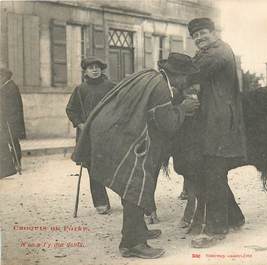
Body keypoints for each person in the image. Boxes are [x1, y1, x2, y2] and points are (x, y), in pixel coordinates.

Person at [72, 53, 200, 259]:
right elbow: (166, 123)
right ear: (178, 75)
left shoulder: (151, 76)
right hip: (118, 136)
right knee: (135, 184)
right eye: (187, 77)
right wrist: (182, 109)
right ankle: (132, 244)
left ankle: (138, 229)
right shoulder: (160, 88)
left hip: (109, 131)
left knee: (132, 184)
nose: (187, 82)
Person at [187, 17, 247, 248]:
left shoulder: (219, 52)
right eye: (195, 36)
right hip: (213, 118)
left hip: (220, 120)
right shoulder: (209, 52)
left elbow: (192, 73)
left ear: (214, 32)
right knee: (212, 170)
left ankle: (216, 230)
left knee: (213, 171)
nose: (199, 38)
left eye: (203, 33)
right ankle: (235, 218)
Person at [66, 57, 115, 214]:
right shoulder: (80, 89)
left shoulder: (112, 87)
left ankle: (128, 201)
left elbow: (121, 105)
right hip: (88, 136)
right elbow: (71, 110)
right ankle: (101, 202)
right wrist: (80, 124)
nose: (95, 70)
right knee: (93, 168)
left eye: (97, 67)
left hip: (109, 133)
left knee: (116, 166)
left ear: (102, 70)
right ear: (85, 71)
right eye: (91, 67)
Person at [0, 67, 26, 178]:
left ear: (5, 76)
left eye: (1, 76)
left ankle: (17, 162)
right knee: (10, 141)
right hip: (7, 119)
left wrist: (8, 117)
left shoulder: (10, 87)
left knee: (13, 141)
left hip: (11, 119)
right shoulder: (5, 86)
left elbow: (13, 105)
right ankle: (13, 162)